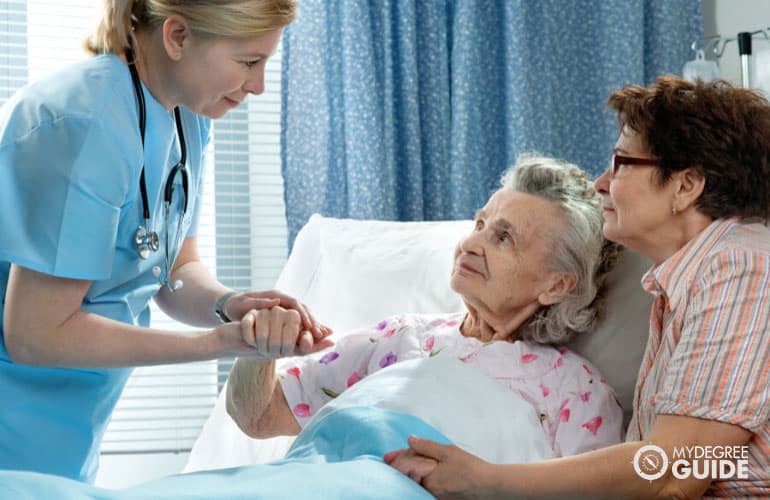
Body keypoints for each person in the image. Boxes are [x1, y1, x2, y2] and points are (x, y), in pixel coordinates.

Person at [387, 76, 770, 498]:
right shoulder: (681, 282)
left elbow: (672, 473)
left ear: (685, 186)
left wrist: (485, 479)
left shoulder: (740, 267)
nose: (601, 183)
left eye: (622, 163)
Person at [0, 0, 332, 484]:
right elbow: (35, 333)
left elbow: (172, 267)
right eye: (248, 62)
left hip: (67, 429)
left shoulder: (185, 114)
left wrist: (231, 304)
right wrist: (218, 345)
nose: (259, 86)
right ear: (177, 37)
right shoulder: (85, 122)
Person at [226, 154, 625, 459]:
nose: (472, 244)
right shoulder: (401, 338)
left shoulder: (575, 391)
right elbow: (258, 417)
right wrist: (259, 347)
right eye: (480, 224)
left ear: (556, 284)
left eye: (503, 238)